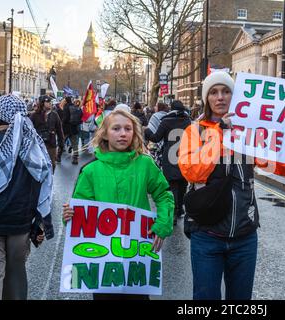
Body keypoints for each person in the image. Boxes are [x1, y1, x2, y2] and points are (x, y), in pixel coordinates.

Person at [178, 72, 285, 300]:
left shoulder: (250, 132)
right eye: (214, 92)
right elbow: (193, 170)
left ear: (235, 95)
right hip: (207, 235)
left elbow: (283, 166)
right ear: (206, 98)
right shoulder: (194, 131)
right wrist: (220, 132)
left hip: (244, 236)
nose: (220, 97)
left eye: (226, 91)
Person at [62, 108, 174, 300]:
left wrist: (162, 224)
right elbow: (81, 212)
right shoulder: (91, 171)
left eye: (128, 129)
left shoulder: (145, 164)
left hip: (137, 262)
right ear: (104, 133)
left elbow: (164, 194)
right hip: (104, 265)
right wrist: (70, 216)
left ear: (134, 133)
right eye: (116, 128)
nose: (123, 133)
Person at [0, 94, 54, 300]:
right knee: (17, 273)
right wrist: (39, 222)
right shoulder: (33, 146)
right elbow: (43, 186)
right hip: (21, 220)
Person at [145, 100, 192, 226]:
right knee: (183, 183)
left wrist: (147, 131)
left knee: (172, 185)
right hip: (184, 156)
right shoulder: (188, 121)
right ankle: (180, 209)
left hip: (169, 157)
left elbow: (155, 138)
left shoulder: (166, 121)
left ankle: (174, 213)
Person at [30, 96, 64, 173]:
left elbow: (59, 130)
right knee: (39, 165)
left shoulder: (54, 114)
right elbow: (29, 130)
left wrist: (61, 143)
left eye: (50, 102)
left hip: (51, 144)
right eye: (47, 102)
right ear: (42, 103)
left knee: (52, 165)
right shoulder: (34, 115)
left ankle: (50, 181)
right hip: (38, 145)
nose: (50, 103)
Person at [63, 96, 83, 165]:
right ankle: (75, 158)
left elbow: (65, 119)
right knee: (75, 144)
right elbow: (80, 117)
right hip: (74, 128)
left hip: (66, 129)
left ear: (66, 101)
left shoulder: (66, 107)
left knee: (61, 142)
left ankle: (58, 156)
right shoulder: (76, 108)